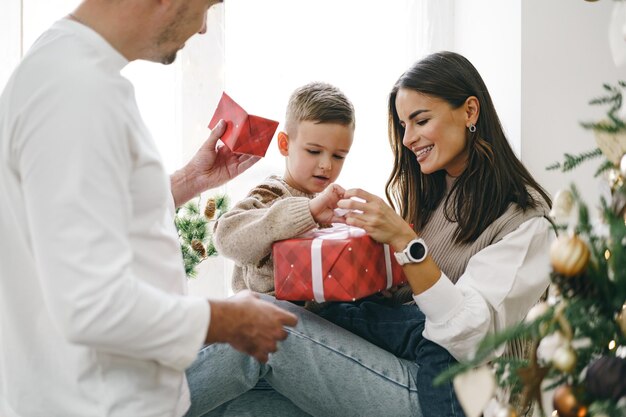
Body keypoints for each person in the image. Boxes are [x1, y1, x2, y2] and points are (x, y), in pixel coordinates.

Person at [184, 51, 555, 417]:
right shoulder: (432, 194)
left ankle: (135, 403)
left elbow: (470, 336)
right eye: (403, 125)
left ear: (469, 112)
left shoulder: (525, 222)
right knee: (234, 403)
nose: (408, 138)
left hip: (450, 392)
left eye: (420, 120)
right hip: (387, 360)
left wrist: (405, 243)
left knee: (257, 320)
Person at [0, 1, 298, 416]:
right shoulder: (76, 92)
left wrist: (189, 183)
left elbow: (89, 219)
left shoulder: (63, 70)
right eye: (206, 7)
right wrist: (228, 320)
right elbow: (90, 304)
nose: (202, 29)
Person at [214, 81, 355, 300]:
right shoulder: (271, 193)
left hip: (320, 314)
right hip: (271, 313)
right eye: (314, 151)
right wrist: (307, 211)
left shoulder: (327, 206)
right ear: (284, 145)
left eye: (338, 156)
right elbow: (224, 236)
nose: (327, 165)